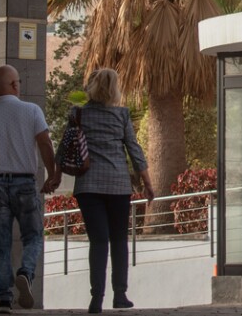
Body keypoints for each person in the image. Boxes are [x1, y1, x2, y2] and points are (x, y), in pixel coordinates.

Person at [55, 68, 155, 314]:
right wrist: (147, 183)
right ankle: (120, 295)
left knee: (98, 241)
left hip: (88, 186)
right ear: (114, 89)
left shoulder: (78, 113)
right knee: (119, 240)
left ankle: (96, 299)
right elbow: (134, 150)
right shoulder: (122, 115)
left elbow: (64, 146)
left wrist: (55, 176)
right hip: (118, 186)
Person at [0, 65, 60, 314]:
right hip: (24, 183)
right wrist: (52, 174)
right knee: (33, 236)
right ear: (14, 85)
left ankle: (4, 300)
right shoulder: (32, 111)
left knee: (0, 244)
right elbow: (45, 143)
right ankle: (26, 273)